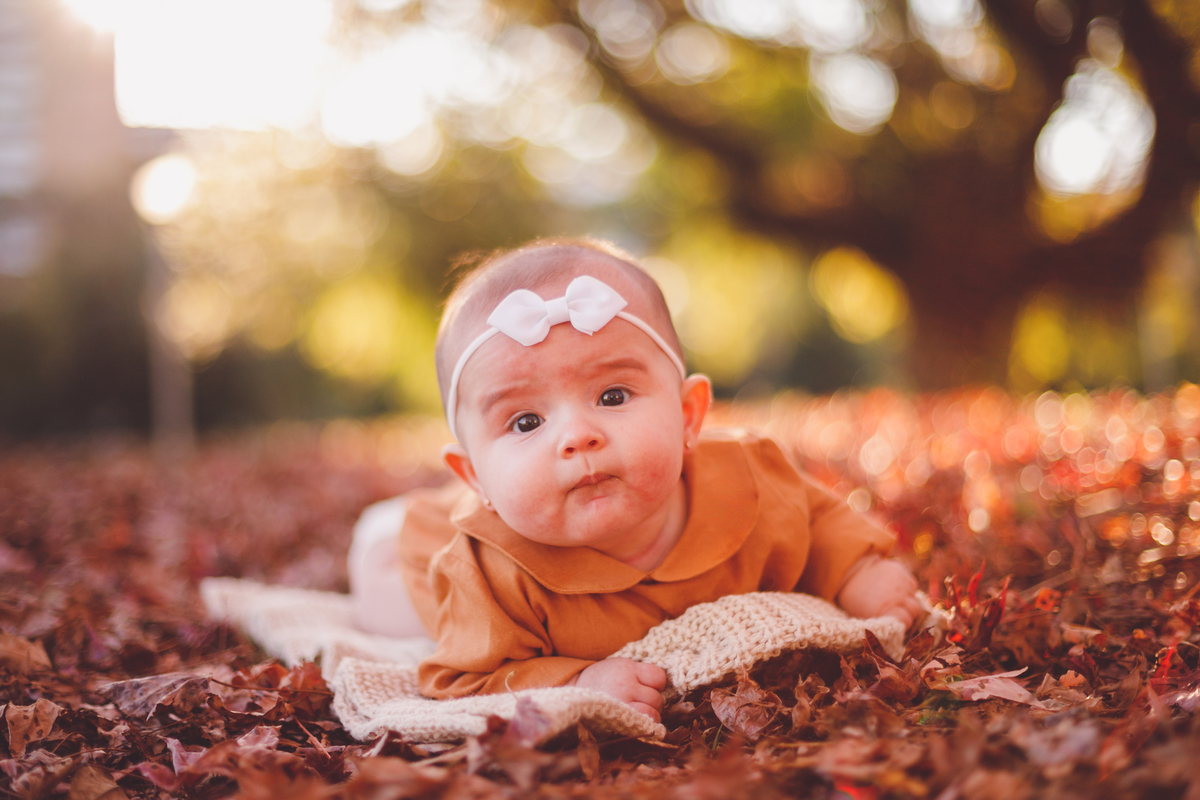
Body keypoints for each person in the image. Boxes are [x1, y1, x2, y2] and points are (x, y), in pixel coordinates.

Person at [349, 238, 921, 722]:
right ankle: (392, 524)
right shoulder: (485, 573)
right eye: (527, 421)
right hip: (426, 536)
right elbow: (469, 680)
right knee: (385, 602)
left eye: (612, 395)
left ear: (690, 414)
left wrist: (858, 571)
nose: (577, 436)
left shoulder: (748, 477)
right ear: (476, 475)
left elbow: (817, 521)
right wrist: (577, 682)